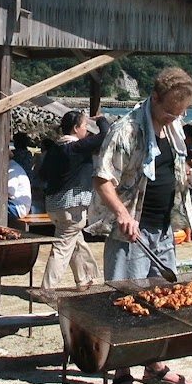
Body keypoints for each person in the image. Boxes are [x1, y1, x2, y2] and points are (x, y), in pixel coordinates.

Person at [87, 67, 192, 384]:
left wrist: (190, 179)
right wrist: (122, 214)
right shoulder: (126, 131)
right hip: (131, 232)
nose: (173, 117)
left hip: (163, 227)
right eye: (169, 111)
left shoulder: (174, 128)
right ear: (154, 98)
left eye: (180, 112)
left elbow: (168, 170)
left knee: (159, 300)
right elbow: (102, 179)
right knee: (126, 302)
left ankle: (153, 364)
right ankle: (120, 375)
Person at [39, 111, 110, 290]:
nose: (86, 130)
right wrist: (101, 119)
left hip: (54, 205)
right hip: (72, 206)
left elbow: (42, 174)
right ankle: (47, 288)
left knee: (75, 241)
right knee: (62, 247)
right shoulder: (77, 147)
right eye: (85, 126)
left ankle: (84, 279)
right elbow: (105, 135)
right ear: (76, 128)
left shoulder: (54, 149)